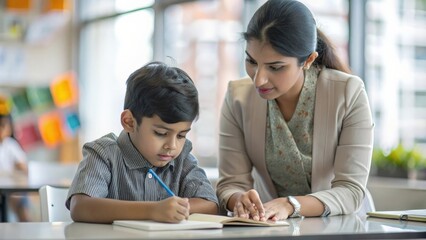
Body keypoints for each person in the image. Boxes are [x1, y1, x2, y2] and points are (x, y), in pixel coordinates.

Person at [216, 0, 374, 221]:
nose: (259, 79)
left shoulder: (348, 92)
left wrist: (291, 205)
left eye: (275, 67)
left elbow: (351, 190)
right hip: (273, 227)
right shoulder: (237, 97)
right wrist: (239, 199)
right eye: (251, 61)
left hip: (342, 226)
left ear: (308, 60)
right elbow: (231, 183)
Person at [66, 61, 218, 223]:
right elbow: (81, 207)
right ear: (129, 122)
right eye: (161, 133)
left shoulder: (182, 159)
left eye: (181, 135)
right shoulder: (104, 153)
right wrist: (153, 210)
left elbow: (210, 205)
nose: (172, 146)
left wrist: (176, 209)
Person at [0, 110, 31, 222]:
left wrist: (19, 166)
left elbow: (24, 167)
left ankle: (26, 229)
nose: (1, 129)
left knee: (19, 199)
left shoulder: (11, 144)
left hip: (11, 187)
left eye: (4, 126)